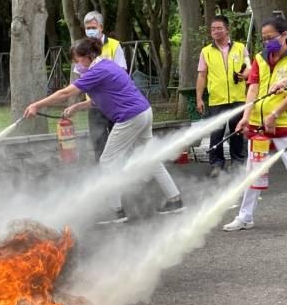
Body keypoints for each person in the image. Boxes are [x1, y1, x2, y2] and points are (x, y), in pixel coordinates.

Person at [24, 37, 184, 224]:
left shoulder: (97, 71)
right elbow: (99, 99)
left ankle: (117, 212)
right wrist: (77, 108)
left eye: (77, 60)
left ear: (89, 56)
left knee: (107, 160)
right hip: (143, 112)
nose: (76, 64)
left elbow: (66, 93)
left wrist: (36, 105)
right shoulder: (107, 65)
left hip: (130, 116)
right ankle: (175, 200)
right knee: (151, 158)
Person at [223, 16, 287, 232]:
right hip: (258, 126)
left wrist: (275, 113)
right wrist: (245, 116)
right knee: (254, 171)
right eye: (264, 38)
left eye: (271, 37)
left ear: (284, 35)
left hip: (284, 125)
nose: (267, 42)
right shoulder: (260, 58)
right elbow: (252, 87)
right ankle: (245, 216)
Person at [196, 15, 250, 177]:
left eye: (219, 28)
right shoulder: (206, 51)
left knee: (237, 131)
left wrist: (245, 74)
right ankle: (217, 164)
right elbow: (202, 76)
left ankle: (237, 163)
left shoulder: (240, 48)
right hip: (216, 99)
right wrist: (199, 97)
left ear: (227, 30)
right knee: (216, 133)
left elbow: (249, 67)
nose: (216, 31)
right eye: (213, 29)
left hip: (238, 98)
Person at [76, 11, 127, 162]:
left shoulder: (114, 45)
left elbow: (122, 72)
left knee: (116, 142)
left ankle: (122, 174)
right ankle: (102, 176)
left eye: (93, 27)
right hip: (93, 104)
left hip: (114, 103)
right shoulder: (82, 47)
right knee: (98, 142)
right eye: (87, 27)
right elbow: (80, 75)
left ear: (101, 27)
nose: (90, 30)